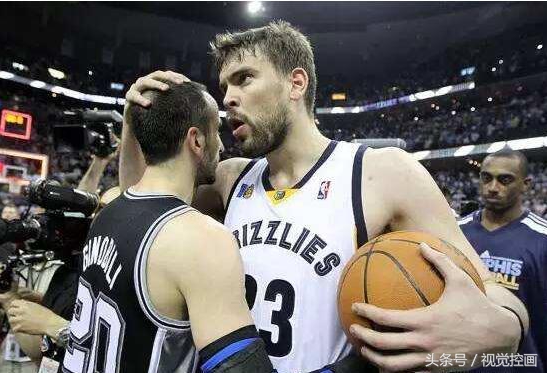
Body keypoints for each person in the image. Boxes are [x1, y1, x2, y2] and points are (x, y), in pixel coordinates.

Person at [120, 21, 529, 373]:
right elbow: (137, 206)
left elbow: (491, 289)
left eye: (244, 78)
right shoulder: (229, 176)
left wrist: (507, 328)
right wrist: (131, 119)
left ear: (296, 83)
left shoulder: (382, 172)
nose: (227, 97)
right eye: (224, 85)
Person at [63, 81, 274, 373]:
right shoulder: (199, 239)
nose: (223, 145)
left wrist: (130, 119)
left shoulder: (107, 213)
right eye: (216, 132)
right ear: (196, 141)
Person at [459, 149, 546, 372]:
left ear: (526, 184)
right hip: (460, 362)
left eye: (504, 180)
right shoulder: (455, 232)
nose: (493, 187)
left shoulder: (542, 239)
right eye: (486, 178)